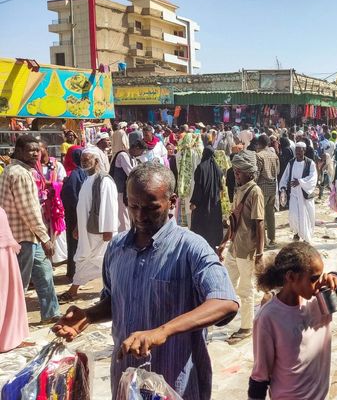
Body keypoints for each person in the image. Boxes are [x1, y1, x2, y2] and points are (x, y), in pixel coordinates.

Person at [52, 163, 238, 400]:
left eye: (151, 208)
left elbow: (225, 302)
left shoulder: (191, 248)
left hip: (175, 383)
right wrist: (88, 315)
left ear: (172, 202)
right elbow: (115, 300)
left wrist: (163, 331)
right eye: (134, 206)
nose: (140, 216)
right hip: (126, 381)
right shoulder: (117, 248)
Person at [248, 242, 337, 400]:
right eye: (313, 279)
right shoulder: (269, 317)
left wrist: (336, 277)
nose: (319, 283)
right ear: (290, 277)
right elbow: (259, 376)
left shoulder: (319, 301)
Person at [0, 135, 60, 323]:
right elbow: (29, 211)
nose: (36, 153)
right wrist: (45, 238)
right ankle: (12, 326)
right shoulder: (19, 173)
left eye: (37, 149)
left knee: (45, 275)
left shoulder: (16, 170)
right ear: (18, 151)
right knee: (19, 286)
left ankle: (50, 314)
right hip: (22, 237)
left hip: (28, 236)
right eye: (31, 150)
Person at [58, 148, 118, 302]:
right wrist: (78, 226)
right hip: (87, 231)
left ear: (97, 160)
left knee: (99, 260)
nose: (84, 161)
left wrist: (108, 230)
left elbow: (109, 207)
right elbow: (83, 207)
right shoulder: (88, 179)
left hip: (100, 232)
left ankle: (74, 290)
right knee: (87, 259)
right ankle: (107, 290)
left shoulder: (104, 180)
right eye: (83, 159)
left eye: (88, 158)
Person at [217, 150, 264, 343]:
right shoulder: (239, 189)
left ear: (249, 173)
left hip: (247, 249)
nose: (236, 175)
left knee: (246, 289)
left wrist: (260, 253)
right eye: (235, 172)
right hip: (235, 247)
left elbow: (260, 223)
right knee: (225, 283)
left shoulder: (255, 192)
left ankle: (246, 327)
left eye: (239, 172)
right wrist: (224, 242)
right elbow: (234, 220)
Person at [0, 206, 30, 352]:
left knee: (7, 297)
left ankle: (8, 337)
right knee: (6, 297)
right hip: (3, 257)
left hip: (6, 254)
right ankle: (8, 338)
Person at [279, 142, 317, 243]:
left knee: (306, 217)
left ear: (304, 151)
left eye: (300, 151)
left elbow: (313, 178)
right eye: (296, 151)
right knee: (294, 215)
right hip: (294, 194)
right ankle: (296, 233)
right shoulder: (291, 162)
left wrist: (300, 182)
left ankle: (306, 237)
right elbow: (285, 175)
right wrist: (282, 187)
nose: (298, 154)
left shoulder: (310, 163)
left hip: (305, 195)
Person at [61, 146, 87, 280]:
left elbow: (68, 195)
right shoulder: (82, 173)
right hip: (79, 214)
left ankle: (75, 271)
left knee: (74, 243)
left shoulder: (74, 174)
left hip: (74, 214)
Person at [109, 139, 147, 232]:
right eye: (141, 152)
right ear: (136, 148)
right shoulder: (123, 155)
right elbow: (131, 172)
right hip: (120, 191)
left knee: (129, 215)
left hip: (127, 191)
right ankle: (124, 237)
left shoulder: (133, 158)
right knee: (123, 216)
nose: (141, 154)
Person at [190, 146, 223, 250]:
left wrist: (194, 202)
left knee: (201, 225)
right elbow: (221, 186)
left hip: (202, 204)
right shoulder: (217, 168)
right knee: (212, 224)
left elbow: (198, 187)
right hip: (214, 202)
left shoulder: (201, 168)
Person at [256, 134, 279, 248]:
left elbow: (257, 173)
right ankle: (272, 239)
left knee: (260, 216)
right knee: (271, 215)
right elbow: (278, 171)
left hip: (262, 188)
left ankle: (263, 241)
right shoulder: (274, 155)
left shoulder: (259, 156)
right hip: (273, 187)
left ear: (259, 144)